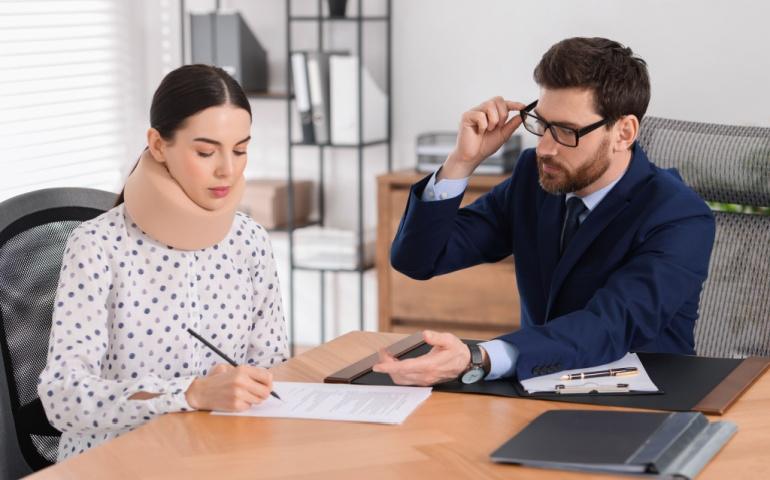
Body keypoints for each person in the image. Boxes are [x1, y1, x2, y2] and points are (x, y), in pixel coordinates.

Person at [373, 37, 715, 386]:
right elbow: (417, 259)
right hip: (537, 388)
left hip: (642, 407)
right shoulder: (533, 178)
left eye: (567, 131)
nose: (545, 148)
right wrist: (461, 163)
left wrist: (481, 356)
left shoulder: (679, 216)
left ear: (623, 132)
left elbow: (608, 325)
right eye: (541, 124)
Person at [38, 64, 288, 461]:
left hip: (221, 454)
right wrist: (189, 393)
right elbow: (63, 397)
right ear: (157, 145)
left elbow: (273, 369)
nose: (228, 168)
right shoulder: (98, 245)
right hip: (117, 461)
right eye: (206, 151)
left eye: (240, 149)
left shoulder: (250, 240)